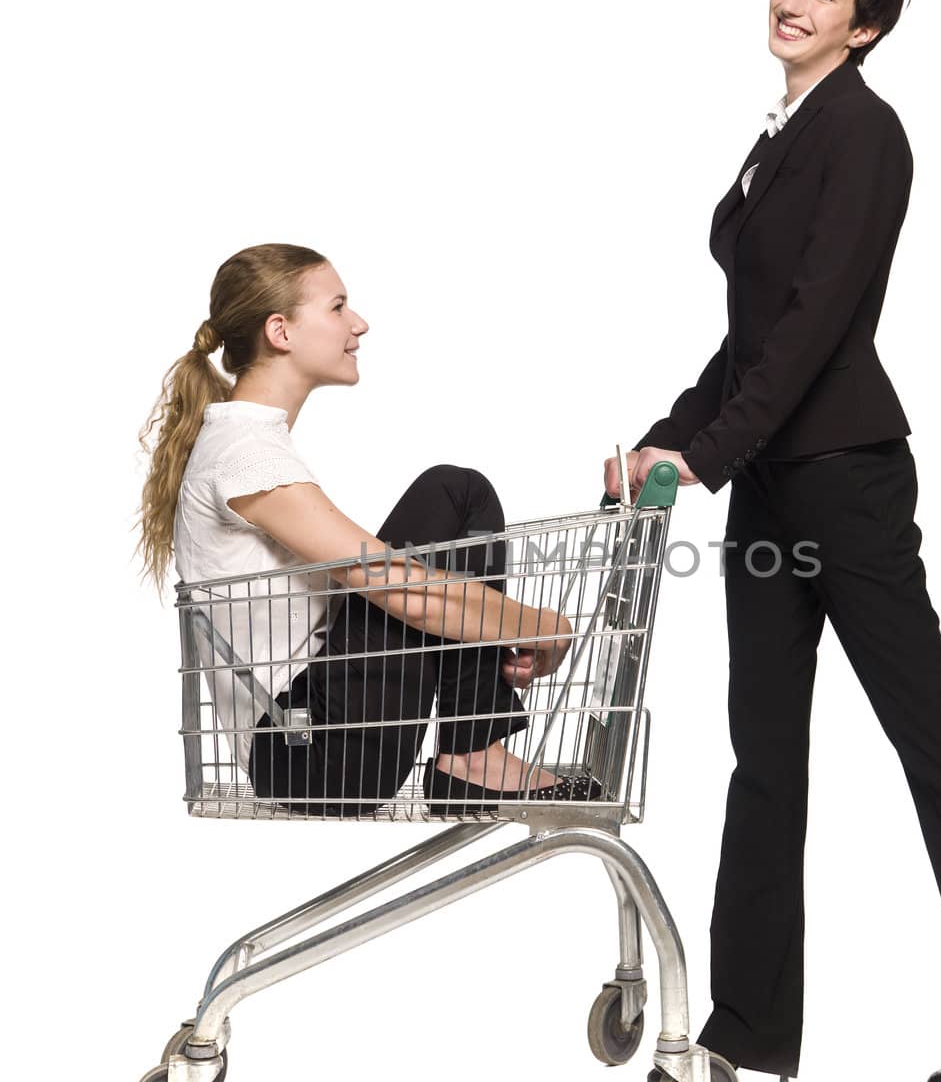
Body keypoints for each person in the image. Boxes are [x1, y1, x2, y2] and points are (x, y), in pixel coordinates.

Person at [607, 0, 941, 1082]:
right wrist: (672, 435)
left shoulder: (865, 131)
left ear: (862, 27)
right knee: (762, 755)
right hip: (773, 478)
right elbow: (753, 334)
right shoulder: (785, 132)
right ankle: (746, 1023)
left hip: (845, 481)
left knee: (933, 736)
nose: (796, 1)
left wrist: (706, 458)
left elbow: (819, 324)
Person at [137, 242, 601, 817]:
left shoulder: (249, 444)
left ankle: (475, 754)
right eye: (337, 307)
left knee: (453, 500)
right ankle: (475, 757)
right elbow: (400, 589)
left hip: (314, 738)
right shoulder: (245, 455)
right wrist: (548, 628)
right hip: (310, 751)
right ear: (280, 331)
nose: (358, 323)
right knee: (453, 493)